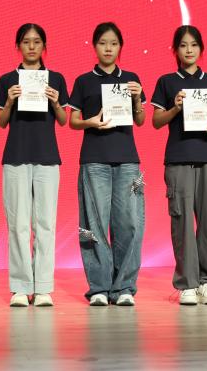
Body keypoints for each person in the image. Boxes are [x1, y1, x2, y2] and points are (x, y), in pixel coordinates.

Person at [151, 25, 207, 306]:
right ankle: (187, 283)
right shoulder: (167, 82)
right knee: (182, 221)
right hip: (178, 158)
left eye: (194, 45)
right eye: (183, 45)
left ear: (201, 49)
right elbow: (156, 121)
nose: (189, 50)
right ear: (175, 50)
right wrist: (175, 107)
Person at [68, 22, 146, 306]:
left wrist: (137, 98)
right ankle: (99, 287)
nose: (108, 48)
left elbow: (140, 120)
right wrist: (91, 122)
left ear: (120, 47)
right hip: (94, 160)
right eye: (103, 43)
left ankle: (124, 287)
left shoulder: (132, 79)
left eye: (113, 43)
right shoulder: (83, 81)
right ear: (95, 46)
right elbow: (73, 121)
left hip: (128, 161)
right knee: (93, 224)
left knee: (130, 223)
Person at [0, 23, 69, 308]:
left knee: (45, 223)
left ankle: (43, 288)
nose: (32, 46)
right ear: (18, 46)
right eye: (26, 42)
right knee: (18, 224)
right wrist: (9, 101)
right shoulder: (7, 79)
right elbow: (1, 122)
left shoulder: (55, 79)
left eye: (37, 41)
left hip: (48, 157)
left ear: (44, 46)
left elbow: (63, 120)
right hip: (16, 156)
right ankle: (20, 287)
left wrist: (56, 102)